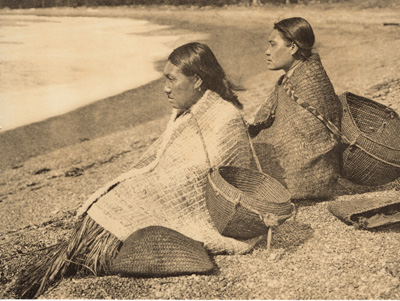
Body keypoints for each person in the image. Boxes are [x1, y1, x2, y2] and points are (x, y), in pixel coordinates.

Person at [15, 42, 260, 299]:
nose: (166, 88)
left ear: (197, 80)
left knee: (137, 197)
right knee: (124, 192)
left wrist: (164, 183)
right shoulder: (189, 112)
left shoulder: (225, 116)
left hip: (203, 204)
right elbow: (169, 158)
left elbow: (223, 175)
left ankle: (97, 253)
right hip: (173, 187)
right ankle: (82, 251)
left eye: (171, 79)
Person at [249, 17, 342, 200]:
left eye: (273, 45)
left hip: (308, 174)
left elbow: (306, 140)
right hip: (310, 169)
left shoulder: (310, 83)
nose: (267, 52)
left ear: (293, 47)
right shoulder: (298, 75)